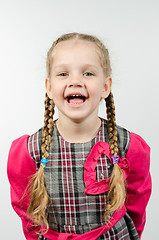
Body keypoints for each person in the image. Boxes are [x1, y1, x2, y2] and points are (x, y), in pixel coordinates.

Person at [7, 32, 152, 240]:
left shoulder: (128, 146)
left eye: (88, 74)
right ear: (49, 87)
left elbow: (137, 207)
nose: (75, 81)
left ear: (105, 86)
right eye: (63, 74)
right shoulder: (30, 151)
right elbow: (28, 214)